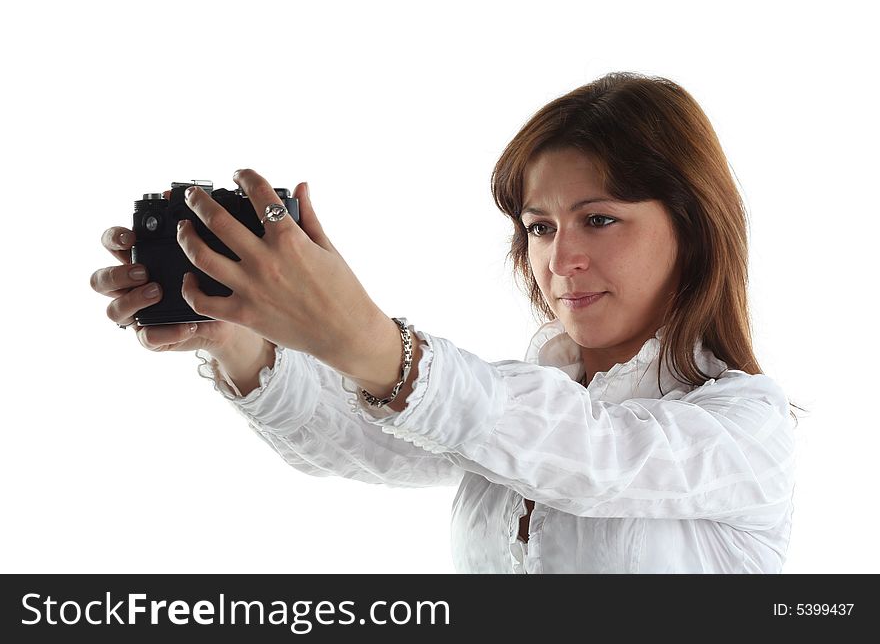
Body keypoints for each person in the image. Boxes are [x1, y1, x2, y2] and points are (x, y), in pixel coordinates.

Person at [90, 72, 798, 573]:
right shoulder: (519, 405)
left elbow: (597, 457)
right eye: (541, 226)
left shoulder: (748, 429)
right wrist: (236, 339)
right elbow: (367, 438)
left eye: (600, 218)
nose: (562, 258)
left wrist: (372, 340)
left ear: (695, 229)